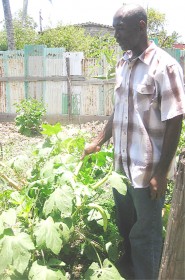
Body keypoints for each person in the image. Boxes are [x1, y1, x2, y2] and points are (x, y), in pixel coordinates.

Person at [82, 3, 185, 280]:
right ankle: (130, 273)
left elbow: (175, 119)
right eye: (114, 29)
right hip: (121, 167)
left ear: (141, 26)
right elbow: (120, 109)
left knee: (146, 234)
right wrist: (99, 140)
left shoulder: (165, 66)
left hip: (148, 170)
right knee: (126, 225)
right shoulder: (123, 62)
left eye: (120, 29)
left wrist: (161, 173)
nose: (115, 35)